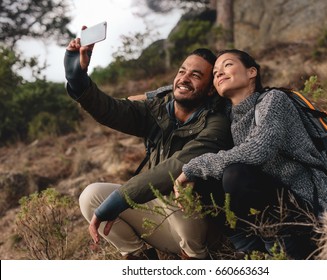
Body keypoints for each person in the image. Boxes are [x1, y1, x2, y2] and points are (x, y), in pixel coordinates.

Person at [63, 29, 233, 259]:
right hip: (157, 217)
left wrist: (119, 200)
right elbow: (110, 110)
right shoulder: (157, 109)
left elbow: (178, 165)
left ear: (210, 88)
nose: (184, 78)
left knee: (181, 189)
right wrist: (77, 78)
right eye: (182, 71)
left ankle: (195, 261)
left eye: (195, 75)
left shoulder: (216, 123)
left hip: (199, 227)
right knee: (91, 196)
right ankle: (141, 260)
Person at [175, 49, 327, 259]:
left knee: (234, 175)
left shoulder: (273, 100)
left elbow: (257, 150)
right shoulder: (228, 115)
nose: (219, 73)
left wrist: (192, 168)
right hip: (271, 199)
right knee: (205, 182)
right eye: (214, 73)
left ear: (252, 72)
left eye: (228, 65)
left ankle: (283, 247)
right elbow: (183, 94)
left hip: (304, 204)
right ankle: (249, 249)